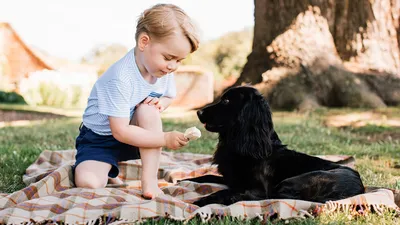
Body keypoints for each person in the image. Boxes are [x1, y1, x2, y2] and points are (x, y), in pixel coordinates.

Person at [73, 3, 200, 199]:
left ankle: (149, 183)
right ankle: (104, 167)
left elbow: (167, 96)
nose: (173, 66)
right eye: (169, 57)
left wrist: (160, 104)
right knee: (89, 183)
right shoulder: (120, 77)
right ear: (144, 42)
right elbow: (120, 131)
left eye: (179, 60)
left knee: (148, 111)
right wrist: (165, 139)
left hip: (135, 133)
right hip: (100, 139)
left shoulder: (162, 70)